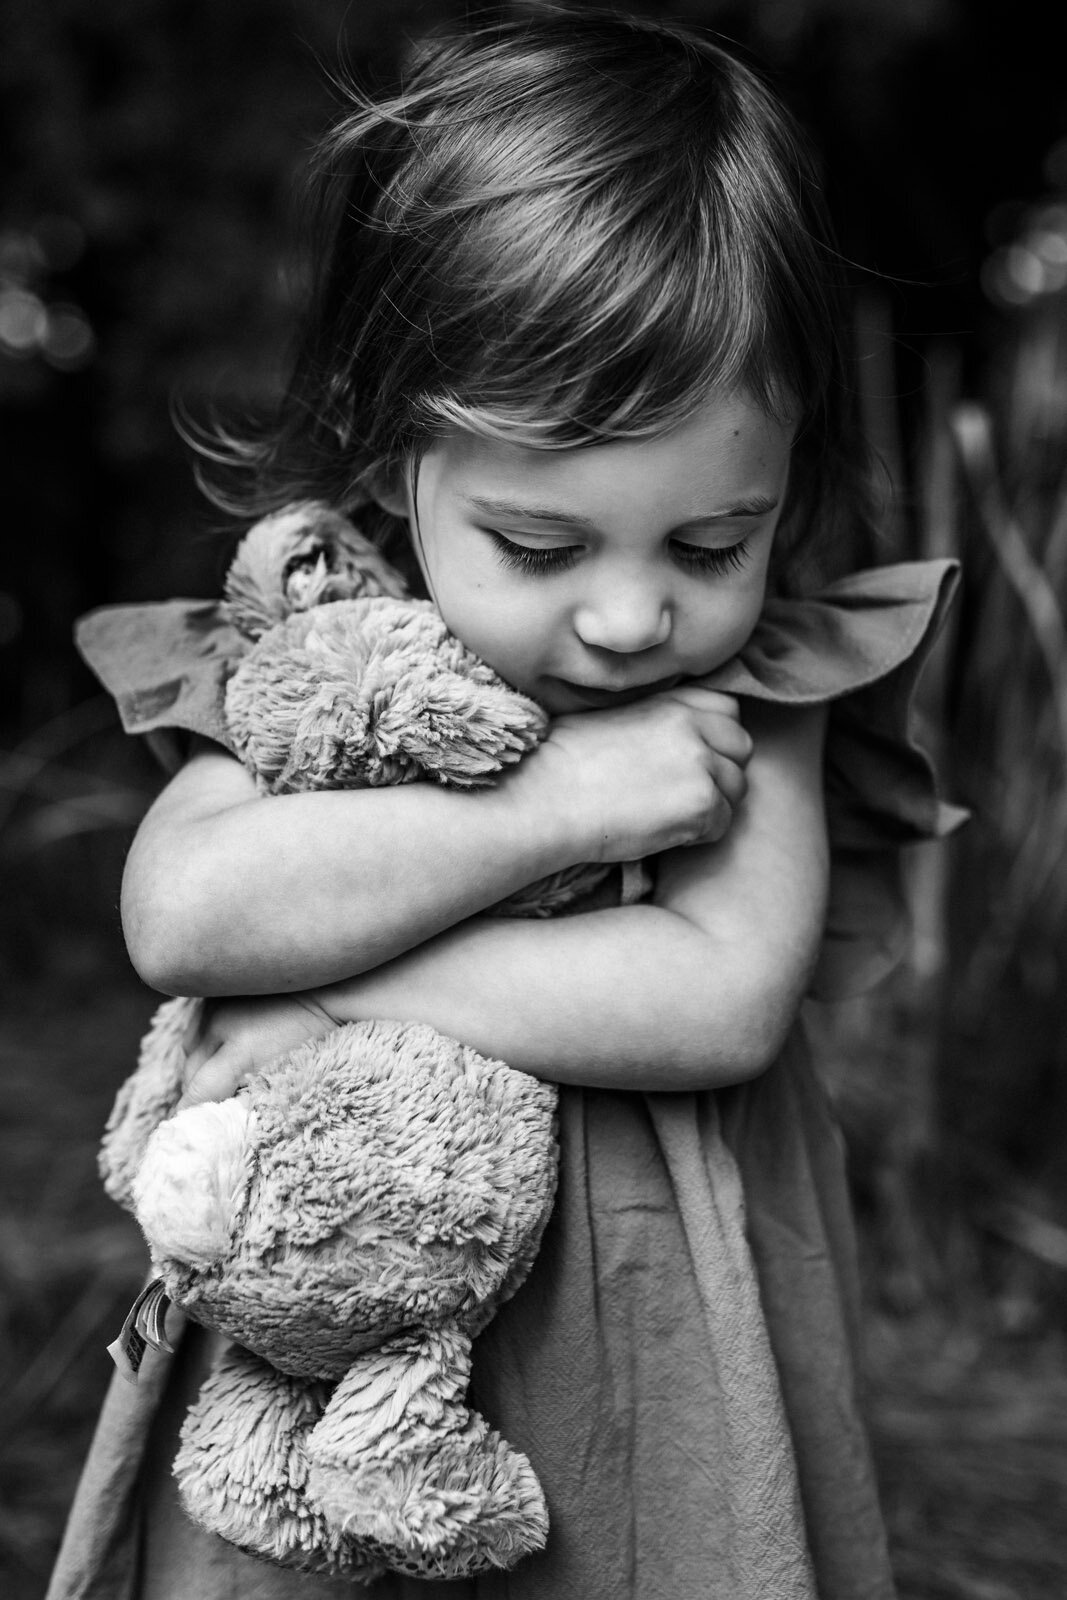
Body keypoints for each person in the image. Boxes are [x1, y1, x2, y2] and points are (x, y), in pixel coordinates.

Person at [49, 10, 963, 1599]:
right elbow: (181, 914)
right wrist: (554, 807)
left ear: (786, 482)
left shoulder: (760, 700)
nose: (628, 620)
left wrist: (326, 971)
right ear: (403, 460)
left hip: (657, 1330)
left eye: (710, 545)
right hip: (332, 1352)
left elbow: (719, 997)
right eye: (543, 550)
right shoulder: (326, 639)